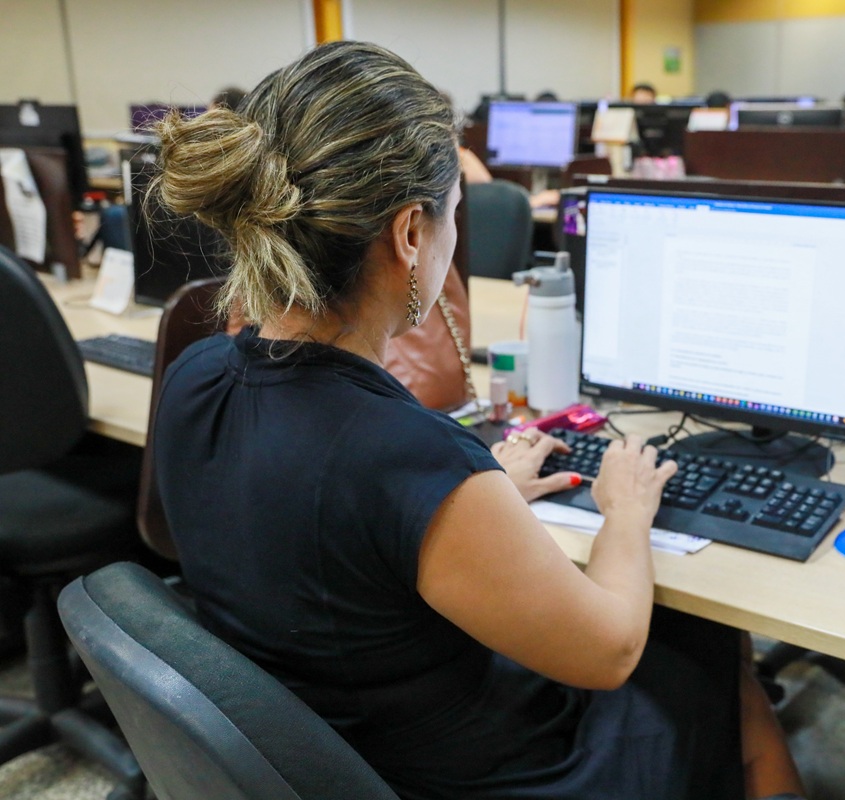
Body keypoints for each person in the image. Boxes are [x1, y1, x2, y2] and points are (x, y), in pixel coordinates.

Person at [150, 41, 804, 800]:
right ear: (410, 234)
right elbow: (611, 652)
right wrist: (626, 513)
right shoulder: (402, 455)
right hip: (481, 775)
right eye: (454, 213)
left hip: (334, 746)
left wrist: (471, 503)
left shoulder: (196, 375)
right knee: (712, 656)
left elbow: (311, 524)